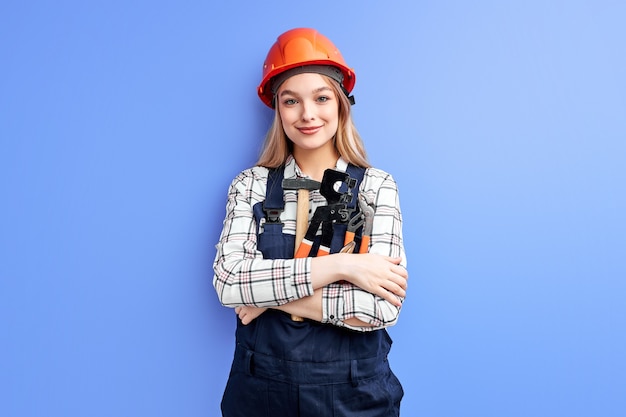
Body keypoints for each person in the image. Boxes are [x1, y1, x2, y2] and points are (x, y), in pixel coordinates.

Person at [213, 27, 408, 417]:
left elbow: (380, 309)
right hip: (259, 394)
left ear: (341, 104)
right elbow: (229, 282)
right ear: (277, 109)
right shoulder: (250, 185)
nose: (307, 114)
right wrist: (343, 265)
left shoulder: (375, 187)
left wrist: (266, 300)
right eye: (291, 101)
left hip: (357, 397)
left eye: (321, 98)